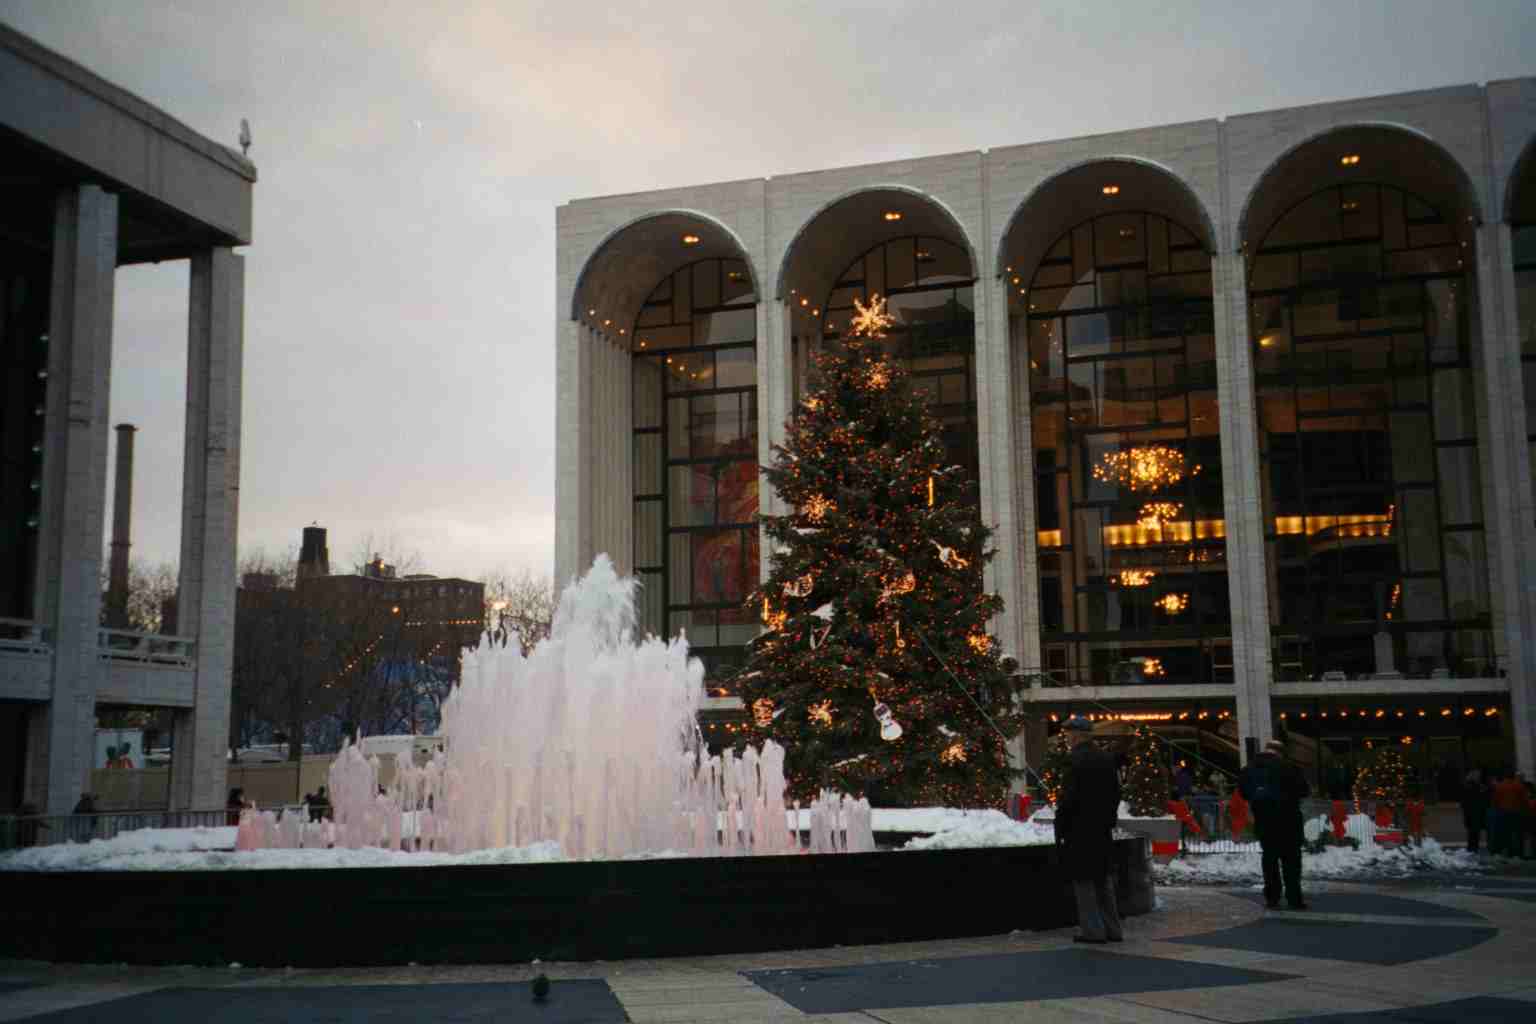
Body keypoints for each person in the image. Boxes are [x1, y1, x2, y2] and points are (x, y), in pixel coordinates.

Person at [1053, 716, 1123, 944]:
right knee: (1103, 880)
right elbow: (1116, 793)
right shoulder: (1105, 758)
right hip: (1101, 828)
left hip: (1079, 829)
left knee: (1084, 882)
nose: (1067, 738)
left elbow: (1069, 798)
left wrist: (1060, 823)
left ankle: (1093, 931)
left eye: (1068, 734)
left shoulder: (1075, 760)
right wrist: (1107, 818)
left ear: (1076, 735)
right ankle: (1113, 929)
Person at [1239, 739, 1310, 910]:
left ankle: (1272, 897)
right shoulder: (1288, 768)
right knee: (1291, 861)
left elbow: (1243, 792)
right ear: (1280, 752)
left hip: (1264, 821)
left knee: (1269, 859)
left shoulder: (1249, 769)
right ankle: (1294, 899)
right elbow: (1304, 790)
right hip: (1289, 821)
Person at [1489, 770, 1528, 857]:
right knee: (1516, 834)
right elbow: (1524, 800)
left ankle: (1503, 851)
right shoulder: (1519, 786)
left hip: (1503, 812)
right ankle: (1516, 853)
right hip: (1516, 813)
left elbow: (1495, 800)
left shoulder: (1500, 786)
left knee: (1503, 833)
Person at [1461, 768, 1489, 853]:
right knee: (1474, 834)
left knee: (1473, 834)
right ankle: (1473, 849)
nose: (1479, 777)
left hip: (1471, 813)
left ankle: (1472, 849)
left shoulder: (1469, 786)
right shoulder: (1476, 787)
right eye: (1477, 775)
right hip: (1475, 813)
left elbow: (1464, 803)